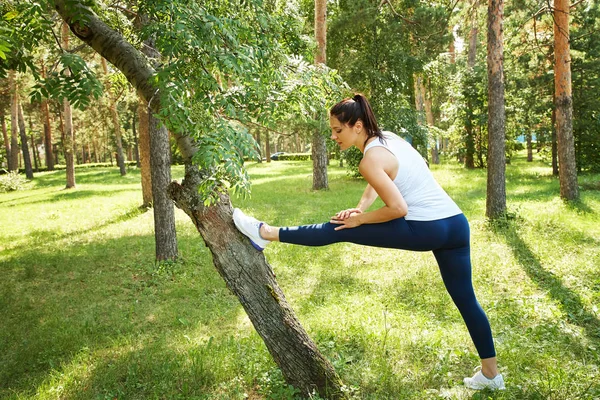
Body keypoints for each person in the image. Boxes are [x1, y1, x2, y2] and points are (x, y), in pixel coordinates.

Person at [233, 94, 505, 391]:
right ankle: (491, 375)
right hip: (456, 225)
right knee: (467, 301)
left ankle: (265, 233)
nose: (333, 136)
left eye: (338, 130)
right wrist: (361, 208)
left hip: (426, 228)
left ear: (358, 125)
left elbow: (398, 209)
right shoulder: (388, 139)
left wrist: (358, 220)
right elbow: (381, 179)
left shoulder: (369, 158)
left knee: (340, 228)